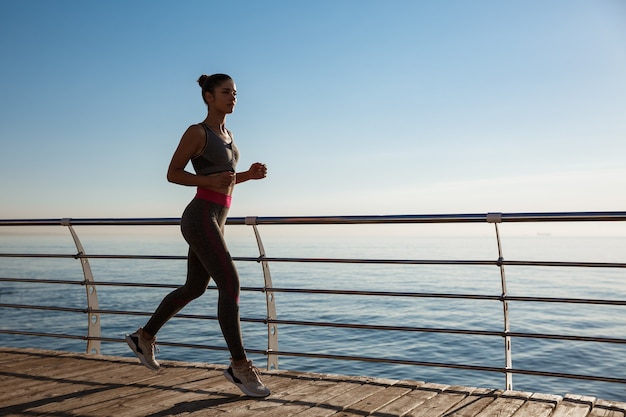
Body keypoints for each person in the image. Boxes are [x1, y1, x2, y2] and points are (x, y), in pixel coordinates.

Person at [126, 73, 270, 397]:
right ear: (208, 96)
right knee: (230, 283)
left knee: (195, 287)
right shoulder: (197, 132)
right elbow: (172, 173)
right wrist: (208, 182)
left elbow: (224, 180)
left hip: (216, 220)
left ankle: (143, 337)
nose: (233, 97)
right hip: (200, 216)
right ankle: (239, 366)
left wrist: (247, 175)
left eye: (235, 92)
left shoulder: (229, 135)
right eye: (225, 92)